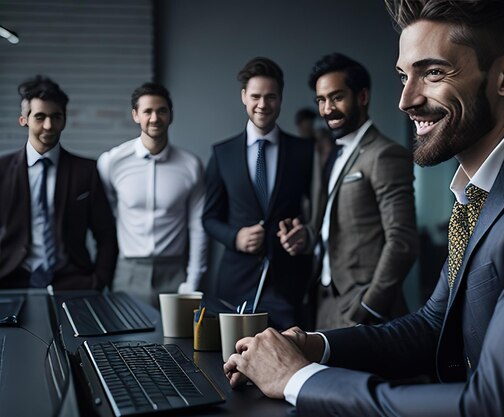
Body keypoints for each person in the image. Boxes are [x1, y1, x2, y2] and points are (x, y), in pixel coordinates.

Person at [223, 1, 504, 415]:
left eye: (432, 73)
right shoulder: (481, 189)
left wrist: (297, 379)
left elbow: (497, 405)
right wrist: (313, 345)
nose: (406, 100)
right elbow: (432, 326)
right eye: (404, 76)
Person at [278, 53, 419, 329]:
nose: (327, 109)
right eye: (321, 100)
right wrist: (304, 237)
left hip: (363, 309)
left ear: (362, 96)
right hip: (323, 305)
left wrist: (370, 306)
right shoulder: (329, 154)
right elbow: (327, 223)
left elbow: (402, 241)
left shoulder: (385, 154)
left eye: (337, 97)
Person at [203, 57, 314, 330]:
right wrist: (236, 237)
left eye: (270, 96)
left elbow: (318, 211)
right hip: (235, 283)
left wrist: (304, 234)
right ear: (244, 96)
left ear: (280, 98)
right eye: (255, 96)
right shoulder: (222, 153)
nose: (263, 104)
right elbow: (209, 218)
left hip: (288, 282)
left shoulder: (304, 152)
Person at [0, 75, 118, 290]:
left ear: (65, 118)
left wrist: (98, 281)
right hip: (11, 282)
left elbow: (106, 234)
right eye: (40, 117)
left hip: (74, 283)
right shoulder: (2, 169)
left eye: (56, 116)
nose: (49, 125)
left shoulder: (86, 171)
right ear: (23, 120)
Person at [97, 82, 208, 307]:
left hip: (175, 273)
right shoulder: (112, 162)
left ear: (171, 115)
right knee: (126, 341)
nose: (155, 118)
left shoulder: (191, 165)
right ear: (135, 115)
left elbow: (198, 226)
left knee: (177, 342)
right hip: (128, 271)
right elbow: (104, 221)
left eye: (161, 111)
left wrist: (193, 281)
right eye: (147, 111)